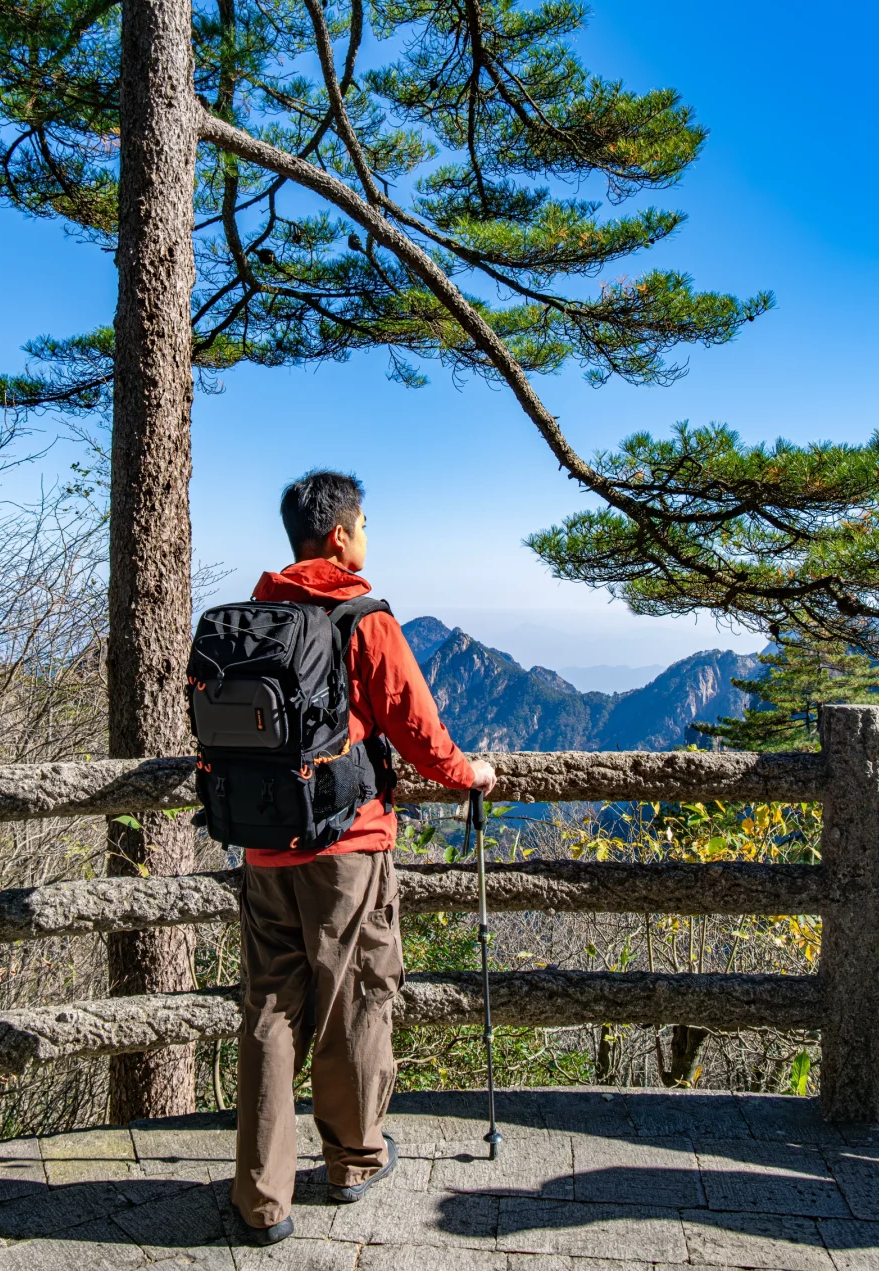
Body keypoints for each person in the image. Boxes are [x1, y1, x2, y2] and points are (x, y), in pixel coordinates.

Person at [230, 469, 497, 1245]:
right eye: (365, 525)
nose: (367, 538)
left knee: (271, 1010)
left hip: (264, 848)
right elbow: (418, 727)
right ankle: (350, 1159)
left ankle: (260, 1198)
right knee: (352, 999)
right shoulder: (360, 615)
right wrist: (469, 773)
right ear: (340, 536)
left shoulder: (249, 619)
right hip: (346, 845)